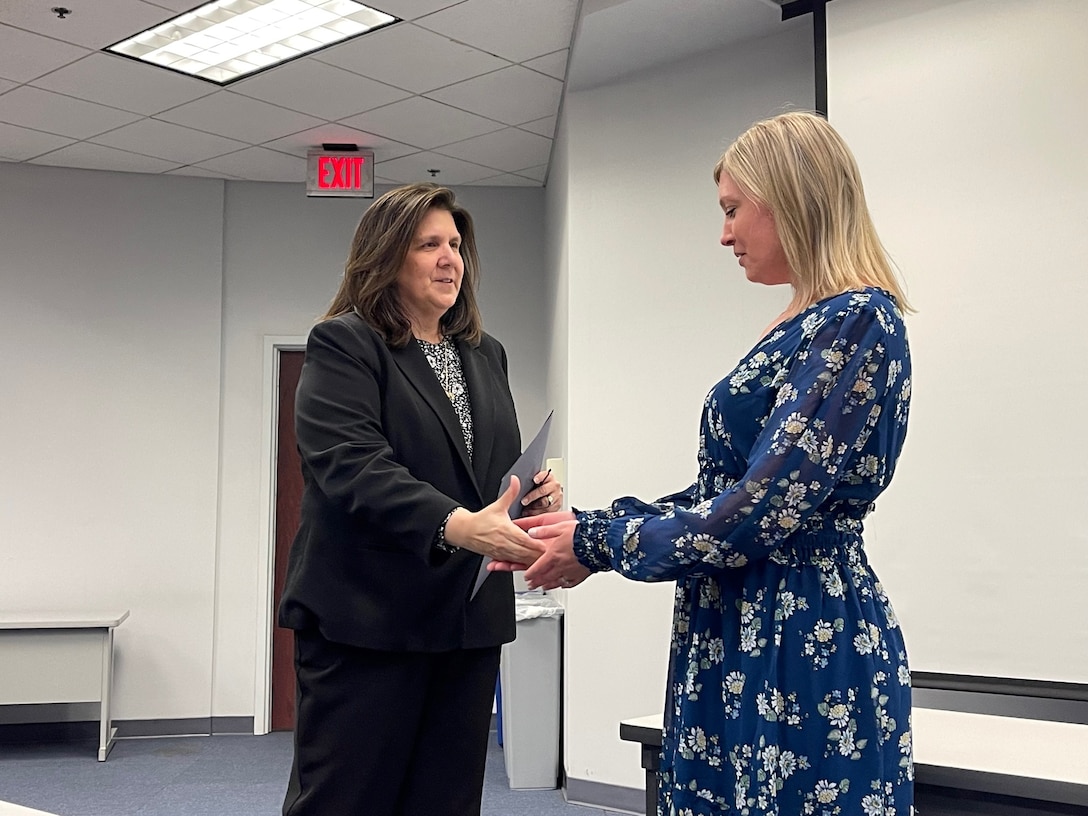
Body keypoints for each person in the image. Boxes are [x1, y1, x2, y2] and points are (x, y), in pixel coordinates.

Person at [496, 111, 915, 815]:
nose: (723, 234)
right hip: (741, 623)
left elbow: (755, 512)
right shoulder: (799, 323)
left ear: (793, 198)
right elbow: (725, 492)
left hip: (798, 635)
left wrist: (598, 541)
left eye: (732, 210)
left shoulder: (859, 320)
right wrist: (588, 533)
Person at [278, 182, 562, 816]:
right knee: (346, 801)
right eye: (428, 243)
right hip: (366, 621)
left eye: (456, 244)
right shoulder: (345, 344)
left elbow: (481, 473)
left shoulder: (487, 356)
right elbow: (352, 468)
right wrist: (460, 525)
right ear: (386, 257)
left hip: (463, 623)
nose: (449, 258)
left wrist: (528, 498)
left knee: (446, 802)